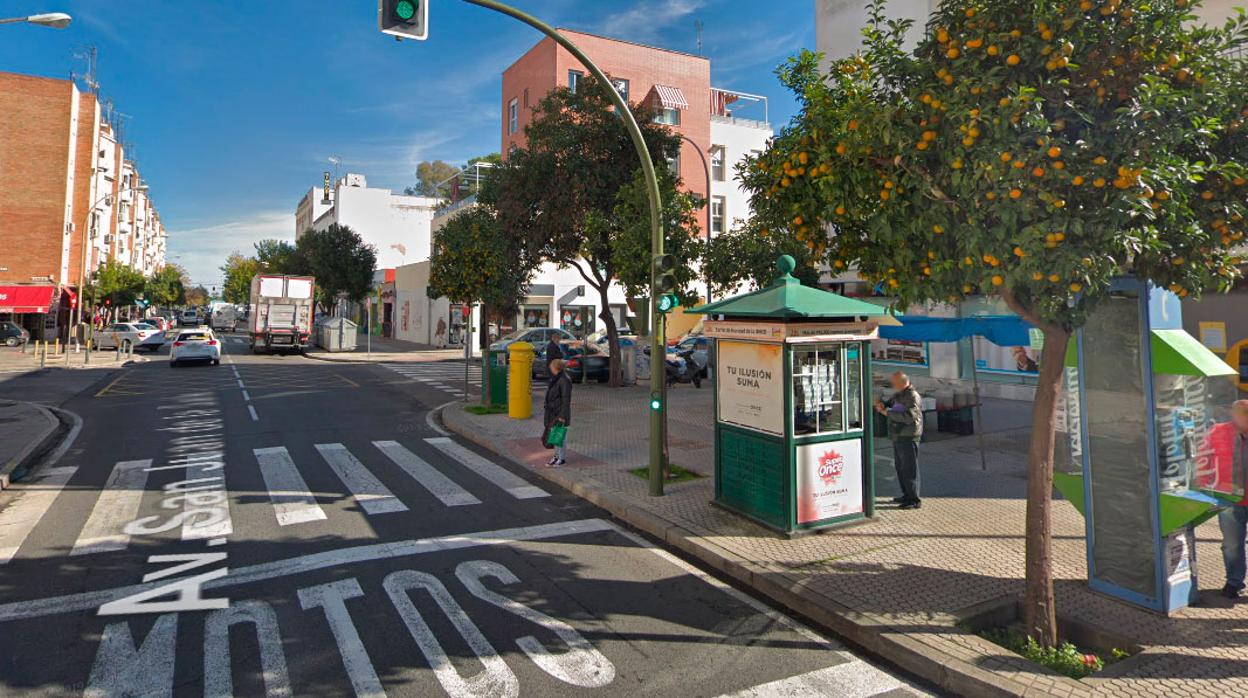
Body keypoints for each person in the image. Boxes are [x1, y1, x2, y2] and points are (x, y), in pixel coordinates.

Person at [1213, 400, 1248, 599]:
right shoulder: (1219, 432)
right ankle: (1234, 582)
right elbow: (1204, 458)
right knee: (1232, 544)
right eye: (1239, 414)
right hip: (1230, 499)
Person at [874, 371, 924, 510]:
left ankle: (914, 499)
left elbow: (909, 416)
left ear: (903, 382)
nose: (893, 385)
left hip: (909, 435)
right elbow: (890, 402)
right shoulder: (899, 394)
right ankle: (906, 494)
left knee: (909, 468)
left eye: (895, 383)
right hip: (898, 434)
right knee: (900, 467)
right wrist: (883, 405)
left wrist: (887, 413)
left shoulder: (912, 396)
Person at [542, 358, 573, 465]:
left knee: (560, 436)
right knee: (554, 435)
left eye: (551, 366)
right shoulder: (556, 378)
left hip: (560, 413)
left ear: (555, 367)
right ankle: (556, 456)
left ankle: (562, 459)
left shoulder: (564, 379)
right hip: (553, 412)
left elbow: (566, 399)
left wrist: (563, 415)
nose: (550, 367)